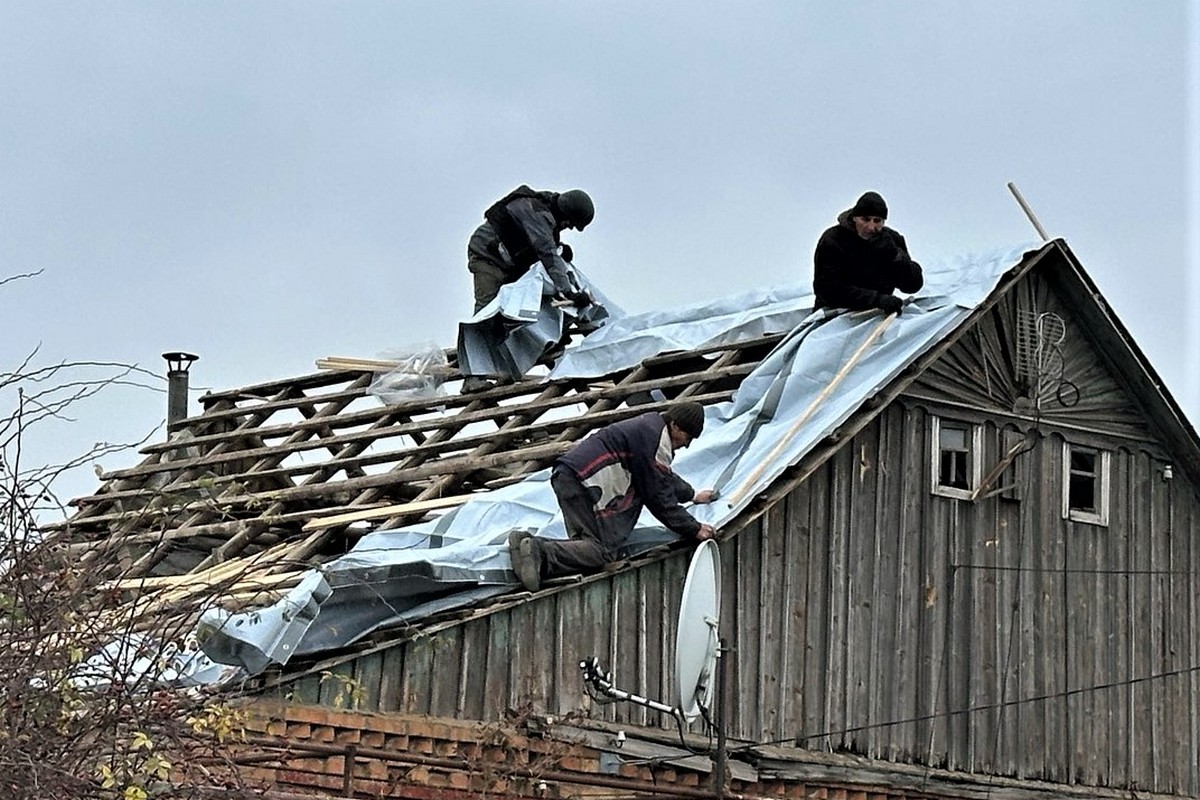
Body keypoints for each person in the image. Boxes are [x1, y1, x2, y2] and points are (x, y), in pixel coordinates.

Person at [508, 402, 718, 592]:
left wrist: (692, 495)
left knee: (583, 547)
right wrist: (693, 527)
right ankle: (539, 550)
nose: (687, 445)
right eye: (688, 437)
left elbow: (662, 477)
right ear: (675, 425)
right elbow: (658, 497)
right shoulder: (655, 440)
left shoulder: (649, 428)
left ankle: (526, 546)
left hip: (568, 476)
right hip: (585, 482)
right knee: (601, 551)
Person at [462, 185, 595, 393]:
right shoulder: (537, 213)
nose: (568, 227)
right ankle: (472, 377)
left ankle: (534, 350)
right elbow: (547, 253)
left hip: (511, 262)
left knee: (528, 302)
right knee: (486, 313)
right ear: (567, 214)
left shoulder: (546, 211)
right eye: (570, 223)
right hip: (488, 257)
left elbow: (548, 250)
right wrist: (569, 292)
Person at [813, 190, 923, 314]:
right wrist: (877, 299)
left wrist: (895, 256)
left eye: (877, 221)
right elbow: (828, 289)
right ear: (855, 218)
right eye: (865, 219)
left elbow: (913, 285)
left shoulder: (892, 240)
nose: (871, 227)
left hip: (878, 314)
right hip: (834, 314)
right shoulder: (833, 240)